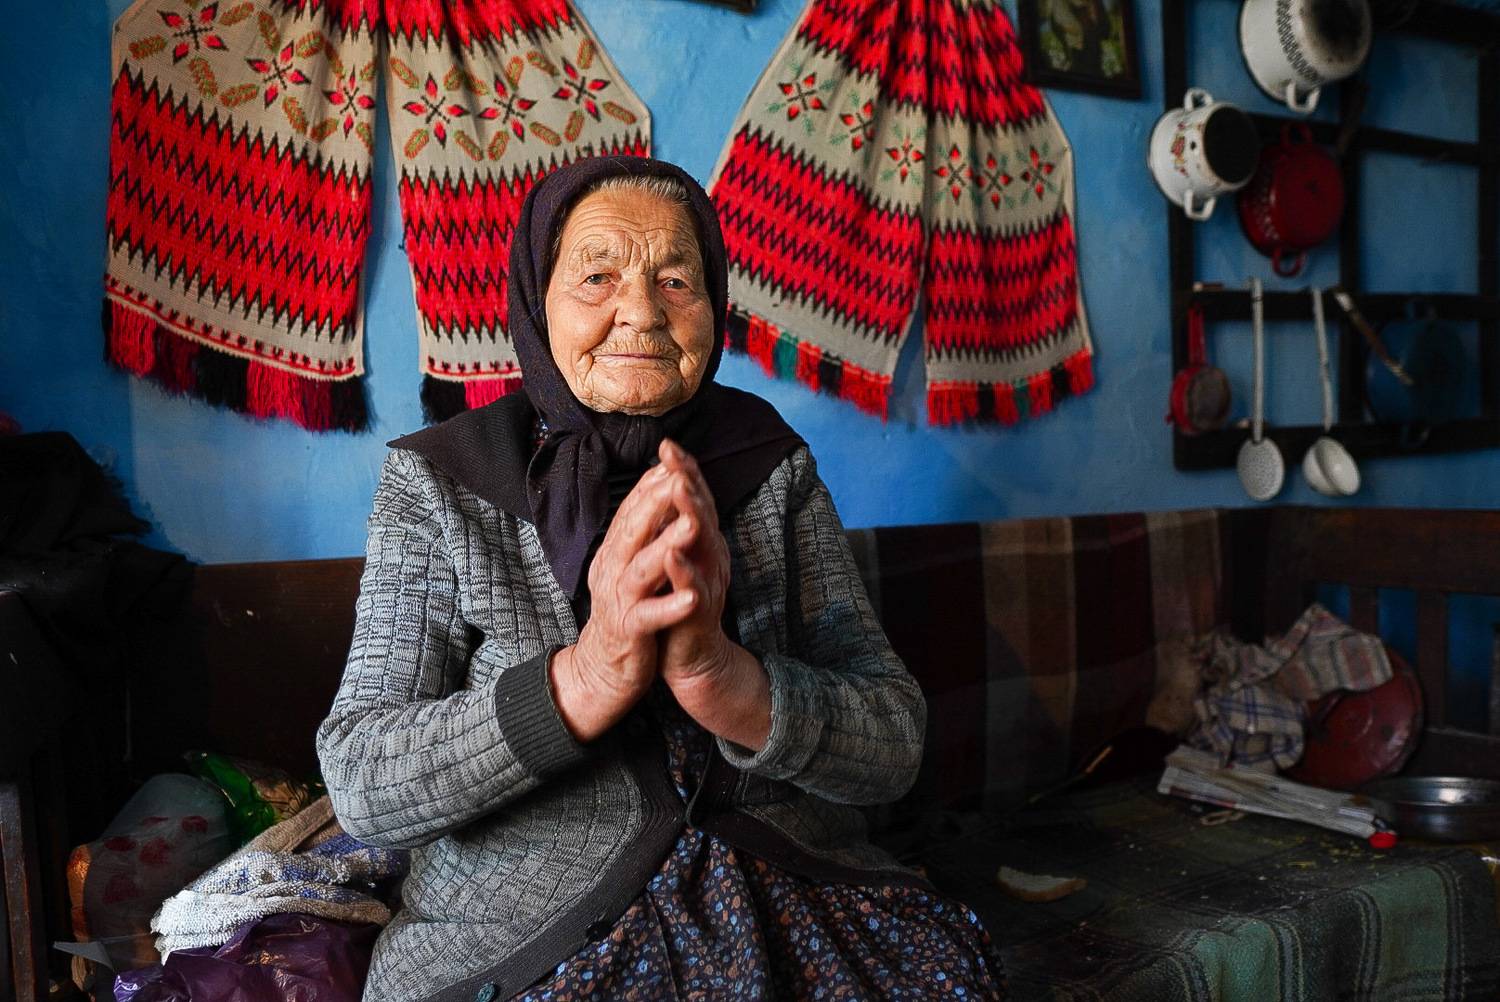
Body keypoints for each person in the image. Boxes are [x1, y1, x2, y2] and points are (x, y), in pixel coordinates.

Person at [317, 156, 1007, 1002]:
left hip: (790, 889)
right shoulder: (443, 482)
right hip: (529, 933)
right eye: (597, 277)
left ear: (715, 305)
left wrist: (723, 678)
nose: (642, 313)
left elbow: (894, 743)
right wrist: (586, 678)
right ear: (536, 300)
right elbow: (362, 781)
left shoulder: (768, 464)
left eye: (676, 280)